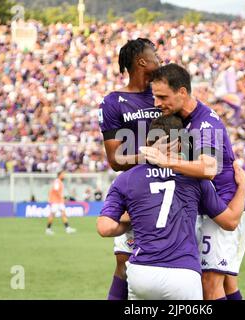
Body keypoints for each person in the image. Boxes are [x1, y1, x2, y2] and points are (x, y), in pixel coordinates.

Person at [97, 115, 245, 300]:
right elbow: (230, 222)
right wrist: (243, 189)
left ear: (147, 141)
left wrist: (134, 219)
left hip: (141, 272)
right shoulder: (195, 179)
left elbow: (105, 228)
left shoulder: (126, 178)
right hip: (183, 274)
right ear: (180, 143)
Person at [141, 64, 245, 300]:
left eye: (162, 97)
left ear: (182, 92)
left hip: (224, 206)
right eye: (155, 96)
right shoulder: (182, 118)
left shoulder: (204, 124)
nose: (157, 103)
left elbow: (209, 167)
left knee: (209, 284)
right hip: (208, 207)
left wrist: (166, 160)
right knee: (227, 282)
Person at [98, 38, 163, 300]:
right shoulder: (114, 101)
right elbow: (115, 159)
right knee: (124, 262)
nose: (160, 60)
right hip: (135, 192)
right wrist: (151, 156)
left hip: (172, 187)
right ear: (141, 61)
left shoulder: (164, 94)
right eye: (155, 55)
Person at [46, 171, 77, 235]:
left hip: (59, 201)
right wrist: (61, 197)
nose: (64, 176)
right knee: (52, 214)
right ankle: (48, 229)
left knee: (63, 214)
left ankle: (67, 228)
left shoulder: (59, 182)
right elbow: (56, 190)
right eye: (63, 174)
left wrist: (61, 198)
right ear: (59, 175)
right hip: (55, 201)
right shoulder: (57, 181)